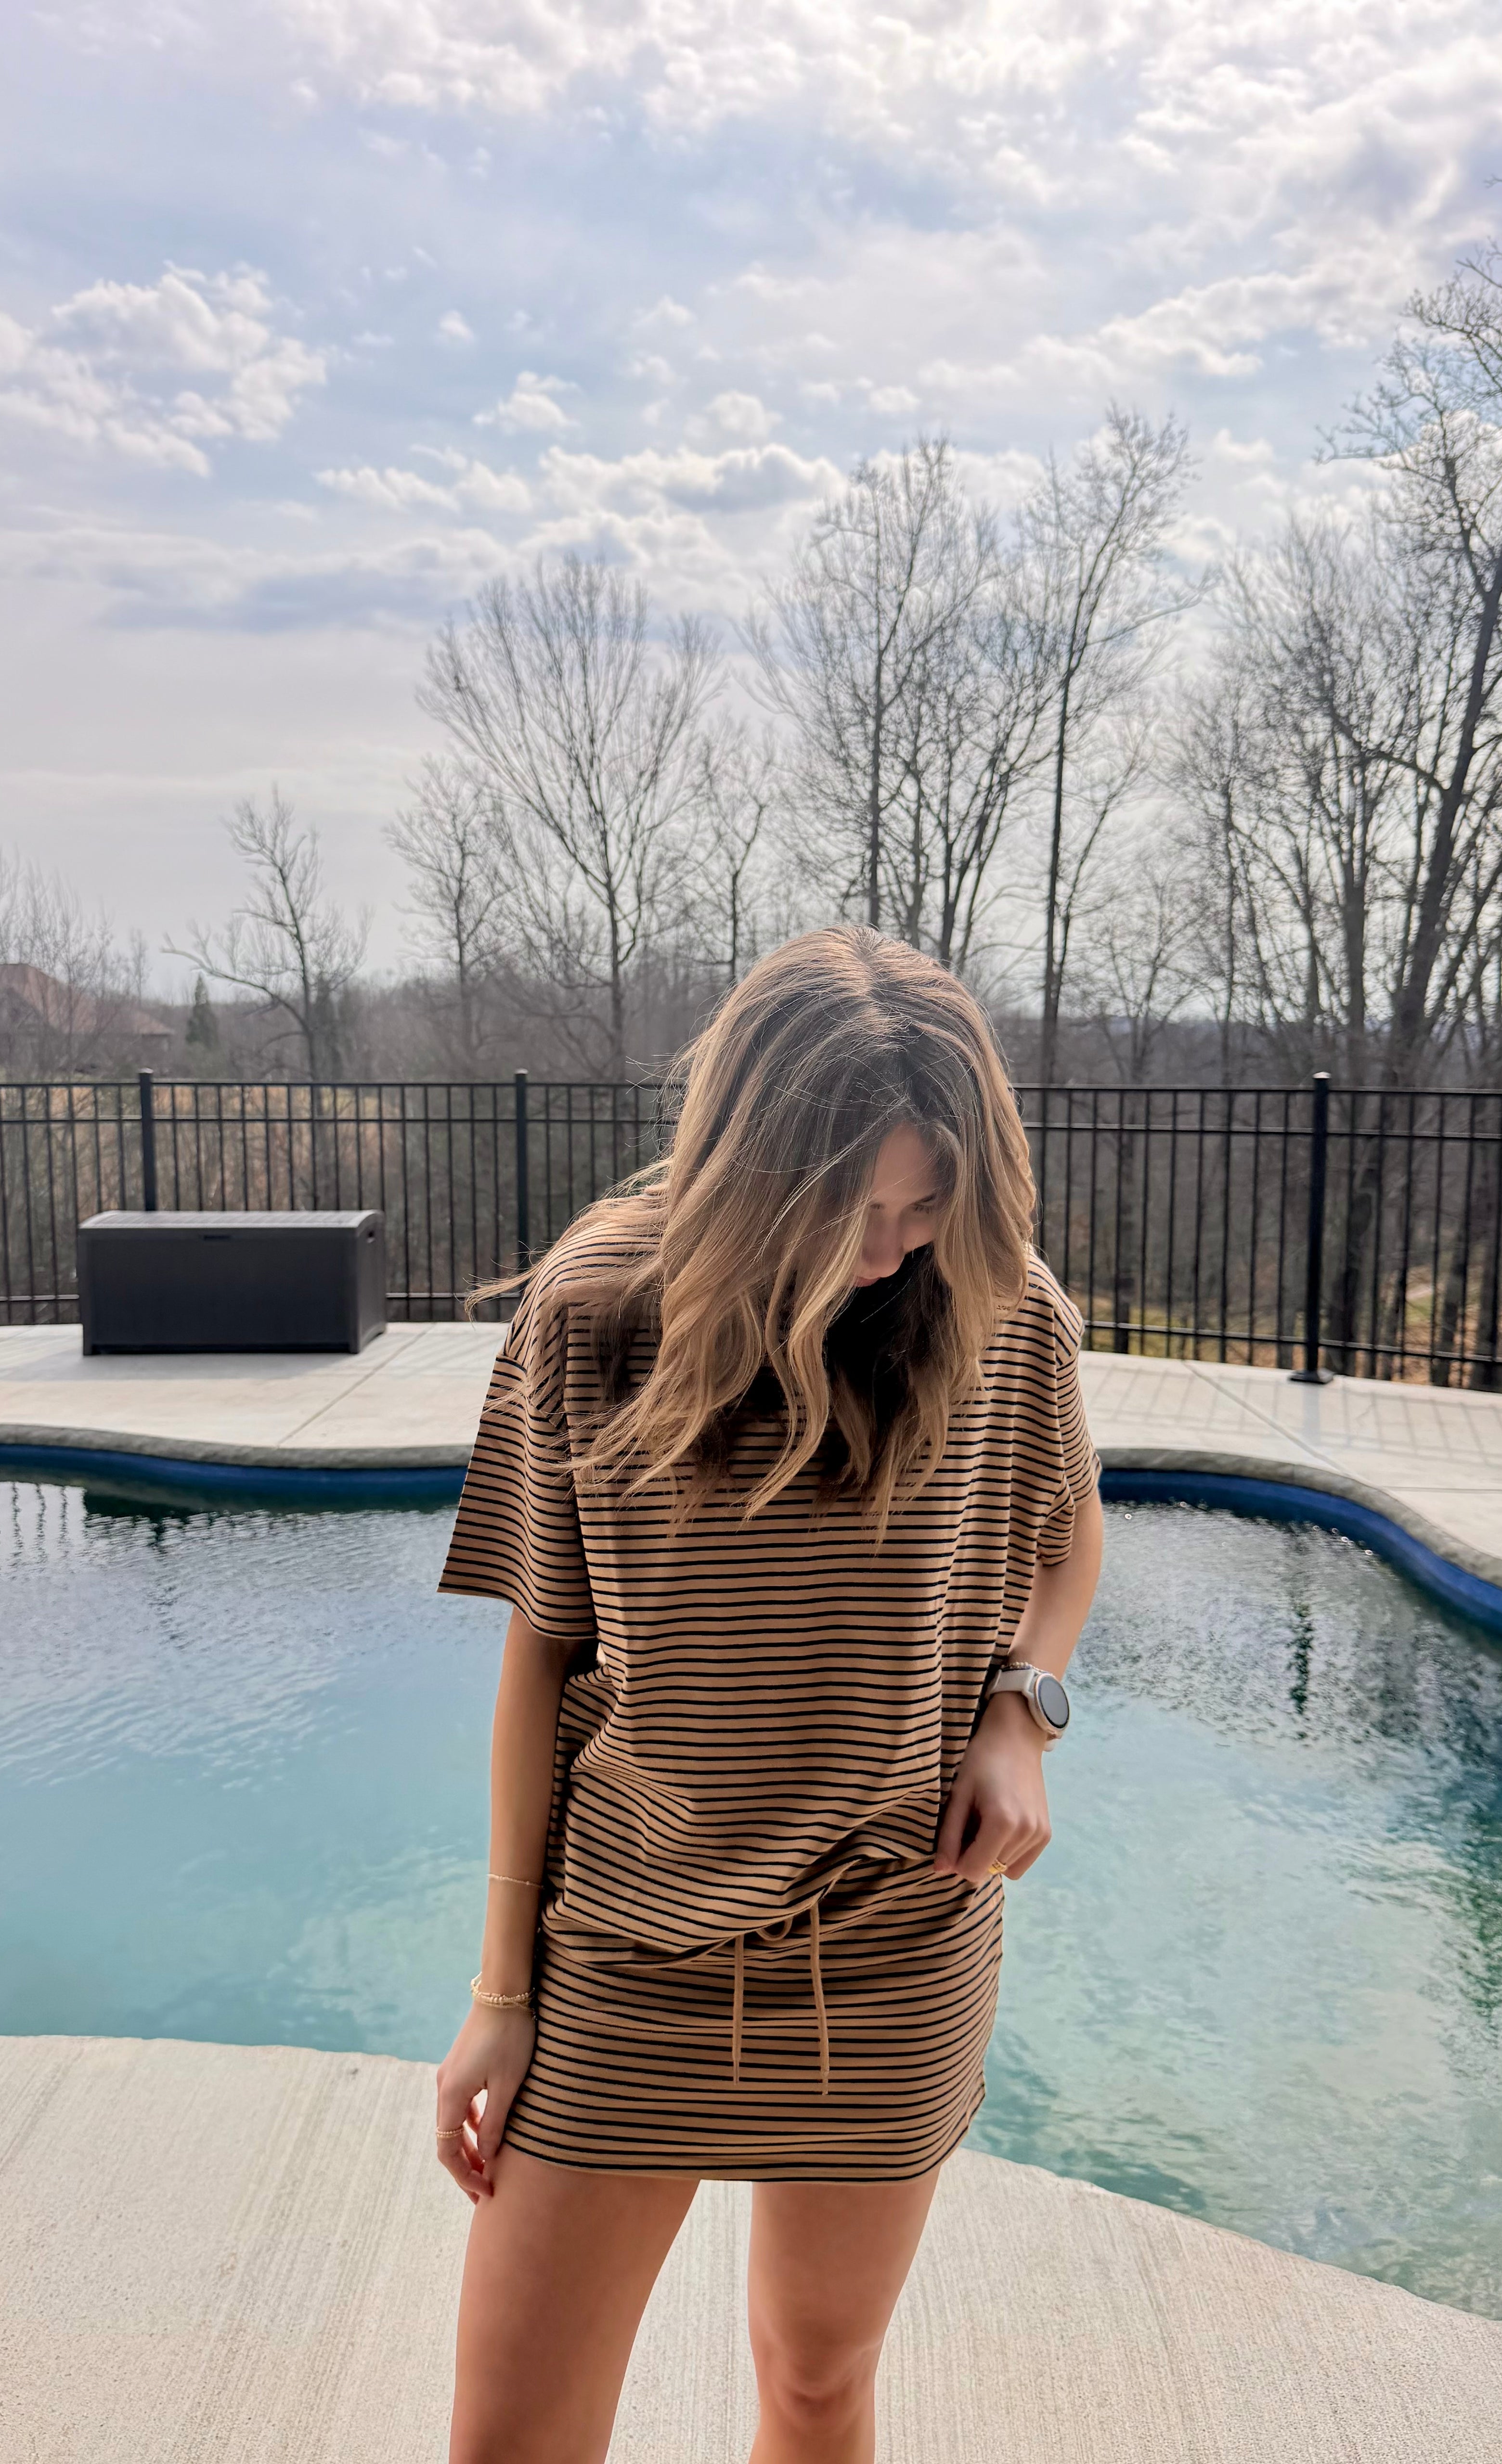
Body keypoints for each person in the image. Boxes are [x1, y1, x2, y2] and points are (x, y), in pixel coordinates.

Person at [433, 925, 1102, 2464]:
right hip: (626, 1952)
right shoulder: (593, 1318)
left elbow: (1070, 1531)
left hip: (893, 1946)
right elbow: (543, 1660)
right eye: (854, 1208)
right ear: (747, 1169)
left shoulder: (1002, 1311)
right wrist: (500, 1996)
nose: (892, 1246)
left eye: (926, 1203)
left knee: (816, 2385)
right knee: (511, 2440)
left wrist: (1026, 1711)